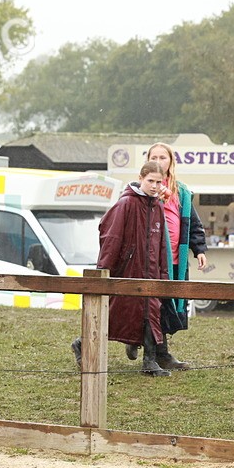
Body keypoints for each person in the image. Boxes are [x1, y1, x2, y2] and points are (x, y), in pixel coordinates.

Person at [72, 161, 170, 376]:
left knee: (151, 312)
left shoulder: (158, 207)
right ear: (141, 178)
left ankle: (149, 361)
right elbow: (111, 236)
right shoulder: (125, 203)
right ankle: (81, 343)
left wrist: (163, 273)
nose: (155, 186)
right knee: (116, 314)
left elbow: (162, 244)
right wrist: (103, 269)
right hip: (127, 270)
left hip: (151, 272)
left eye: (158, 182)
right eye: (150, 181)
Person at [143, 143, 206, 369]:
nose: (159, 161)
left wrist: (199, 250)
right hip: (151, 259)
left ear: (171, 161)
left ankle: (160, 354)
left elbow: (193, 224)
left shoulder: (181, 191)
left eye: (163, 157)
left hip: (176, 260)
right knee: (152, 305)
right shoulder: (144, 188)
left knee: (168, 307)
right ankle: (151, 356)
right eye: (154, 157)